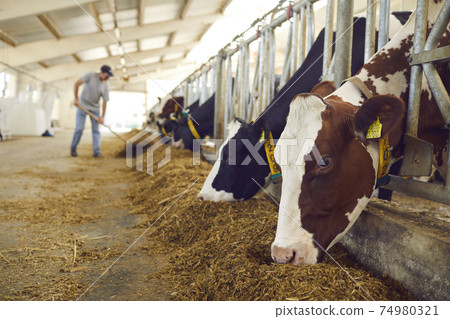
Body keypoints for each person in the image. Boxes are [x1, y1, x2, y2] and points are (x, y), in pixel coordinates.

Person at [70, 65, 113, 157]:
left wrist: (102, 116)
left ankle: (97, 152)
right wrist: (76, 99)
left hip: (95, 109)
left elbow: (105, 101)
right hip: (82, 106)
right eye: (106, 75)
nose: (107, 78)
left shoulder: (106, 85)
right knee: (79, 129)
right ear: (101, 73)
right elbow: (77, 83)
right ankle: (73, 148)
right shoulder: (90, 75)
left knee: (96, 130)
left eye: (109, 76)